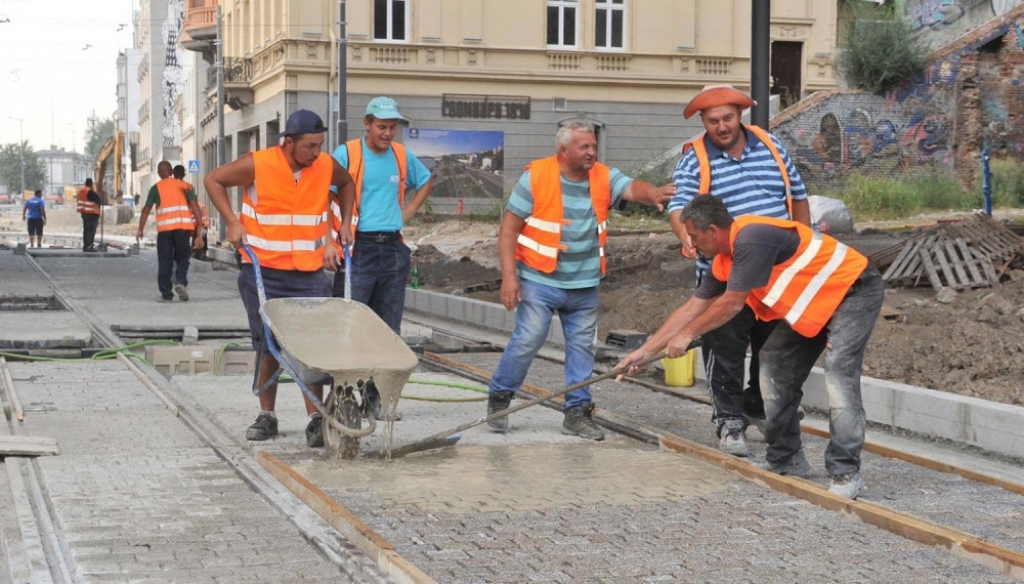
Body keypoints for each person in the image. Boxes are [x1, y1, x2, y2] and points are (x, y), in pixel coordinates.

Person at [616, 196, 882, 499]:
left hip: (853, 290)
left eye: (693, 235)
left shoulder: (752, 238)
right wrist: (645, 353)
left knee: (839, 373)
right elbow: (691, 309)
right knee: (773, 362)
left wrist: (687, 336)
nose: (690, 243)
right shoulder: (723, 262)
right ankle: (786, 459)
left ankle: (846, 472)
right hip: (816, 302)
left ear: (713, 231)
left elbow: (731, 304)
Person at [486, 119, 675, 440]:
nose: (592, 152)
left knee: (582, 348)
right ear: (564, 150)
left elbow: (632, 187)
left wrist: (653, 192)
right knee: (529, 337)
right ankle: (500, 396)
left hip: (584, 285)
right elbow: (508, 230)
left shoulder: (603, 176)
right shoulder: (536, 177)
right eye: (584, 147)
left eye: (593, 146)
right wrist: (509, 278)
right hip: (539, 280)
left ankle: (576, 412)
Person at [667, 84, 811, 458]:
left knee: (772, 347)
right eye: (713, 121)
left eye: (727, 118)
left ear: (739, 115)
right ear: (704, 122)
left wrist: (804, 247)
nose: (722, 127)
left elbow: (797, 196)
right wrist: (687, 237)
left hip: (774, 271)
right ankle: (729, 420)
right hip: (724, 269)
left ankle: (759, 406)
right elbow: (679, 207)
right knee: (725, 345)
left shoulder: (770, 145)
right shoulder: (694, 158)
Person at [204, 109, 356, 448]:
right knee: (267, 345)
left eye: (319, 145)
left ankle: (316, 417)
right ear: (288, 143)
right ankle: (267, 415)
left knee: (311, 347)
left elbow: (346, 184)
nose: (316, 153)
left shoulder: (325, 166)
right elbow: (213, 179)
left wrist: (344, 223)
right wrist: (231, 220)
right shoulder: (259, 163)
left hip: (309, 273)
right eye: (309, 146)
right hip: (263, 272)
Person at [329, 96, 434, 421]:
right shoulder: (347, 154)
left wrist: (410, 210)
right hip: (356, 249)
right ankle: (343, 400)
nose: (388, 133)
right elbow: (324, 193)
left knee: (388, 330)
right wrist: (330, 239)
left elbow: (426, 179)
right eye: (383, 127)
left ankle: (375, 400)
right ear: (368, 124)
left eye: (392, 128)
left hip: (391, 249)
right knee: (352, 327)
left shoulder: (402, 156)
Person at [136, 161, 204, 302]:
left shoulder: (156, 188)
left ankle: (166, 293)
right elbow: (195, 207)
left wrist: (140, 229)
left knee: (165, 261)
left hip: (165, 231)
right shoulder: (185, 186)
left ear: (159, 173)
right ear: (171, 172)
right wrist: (199, 230)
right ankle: (180, 281)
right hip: (183, 229)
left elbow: (146, 210)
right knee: (183, 258)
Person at [173, 164, 210, 260]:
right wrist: (200, 224)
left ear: (173, 174)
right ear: (184, 174)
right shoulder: (188, 187)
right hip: (186, 221)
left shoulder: (168, 187)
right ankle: (195, 252)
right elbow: (193, 203)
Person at [77, 178, 102, 252]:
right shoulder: (90, 191)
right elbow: (98, 200)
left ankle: (86, 246)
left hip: (84, 213)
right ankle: (89, 246)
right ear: (91, 184)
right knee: (91, 230)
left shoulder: (81, 191)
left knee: (86, 230)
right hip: (92, 214)